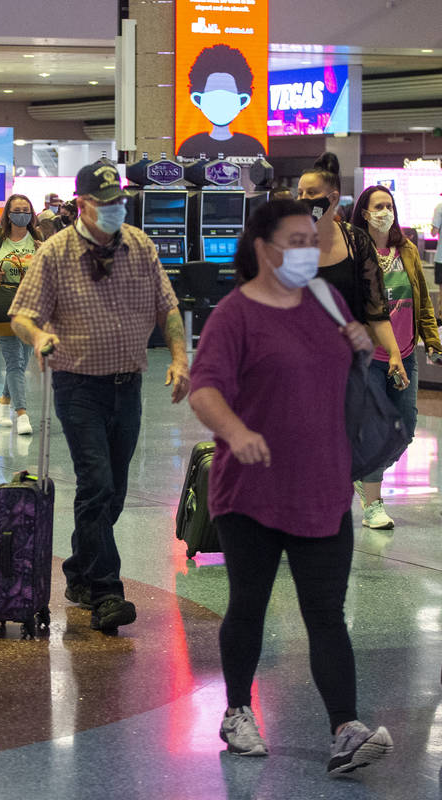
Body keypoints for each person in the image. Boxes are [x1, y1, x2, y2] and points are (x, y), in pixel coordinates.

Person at [187, 198, 393, 774]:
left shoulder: (326, 302)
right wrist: (236, 431)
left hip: (323, 485)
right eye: (297, 241)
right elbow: (205, 388)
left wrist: (359, 347)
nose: (309, 251)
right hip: (252, 491)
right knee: (248, 606)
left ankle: (345, 728)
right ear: (263, 249)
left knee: (325, 612)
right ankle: (236, 710)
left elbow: (344, 380)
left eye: (313, 240)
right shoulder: (235, 314)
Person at [9, 161, 189, 633]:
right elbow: (21, 315)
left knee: (113, 494)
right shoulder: (54, 252)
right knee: (97, 483)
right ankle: (108, 592)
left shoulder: (140, 246)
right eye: (105, 202)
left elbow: (167, 306)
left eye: (119, 202)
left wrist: (179, 357)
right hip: (77, 385)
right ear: (83, 204)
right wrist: (37, 337)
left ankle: (78, 573)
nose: (114, 209)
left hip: (127, 385)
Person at [349, 185, 441, 529]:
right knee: (374, 431)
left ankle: (363, 473)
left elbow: (423, 304)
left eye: (389, 205)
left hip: (405, 353)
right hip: (369, 358)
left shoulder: (408, 251)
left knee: (405, 429)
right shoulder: (355, 254)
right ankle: (373, 503)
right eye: (378, 206)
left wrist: (432, 340)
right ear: (365, 213)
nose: (385, 211)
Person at [296, 154, 404, 391]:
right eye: (300, 193)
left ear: (333, 198)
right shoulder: (287, 243)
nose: (303, 199)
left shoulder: (355, 241)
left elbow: (375, 308)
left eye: (311, 193)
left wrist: (394, 353)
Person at [0, 194, 43, 435]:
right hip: (3, 306)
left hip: (31, 308)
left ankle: (3, 401)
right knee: (15, 360)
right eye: (17, 210)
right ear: (8, 214)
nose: (21, 213)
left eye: (26, 209)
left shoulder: (38, 239)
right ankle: (21, 413)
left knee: (21, 362)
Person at [176, 44, 267, 159]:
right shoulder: (189, 146)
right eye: (213, 93)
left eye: (227, 93)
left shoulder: (254, 147)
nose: (220, 102)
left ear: (242, 100)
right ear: (198, 99)